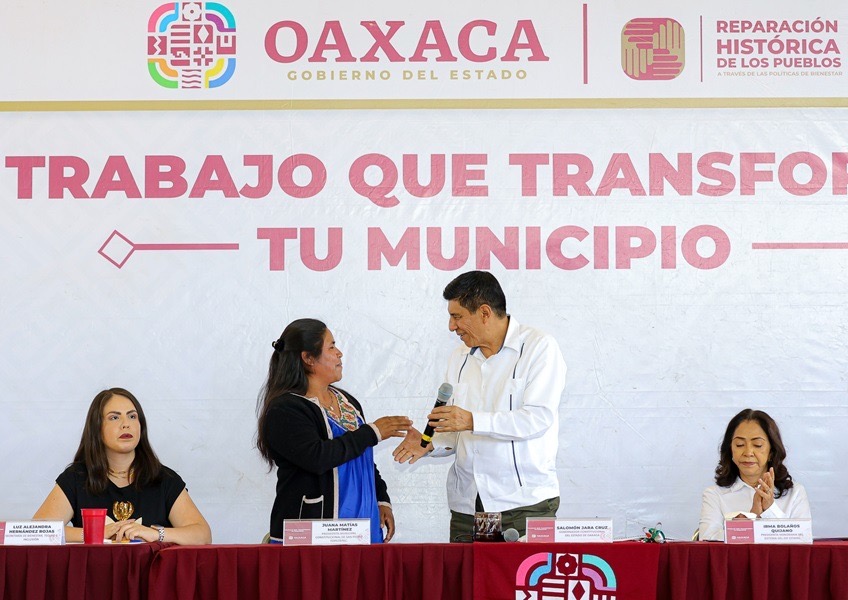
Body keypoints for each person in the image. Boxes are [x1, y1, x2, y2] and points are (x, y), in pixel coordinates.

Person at [393, 271, 567, 541]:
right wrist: (430, 444)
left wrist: (472, 420)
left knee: (519, 571)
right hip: (468, 505)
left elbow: (537, 418)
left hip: (523, 504)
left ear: (485, 313)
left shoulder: (539, 347)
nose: (451, 326)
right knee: (466, 571)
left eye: (457, 316)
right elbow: (457, 431)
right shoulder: (459, 357)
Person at [256, 318, 412, 544]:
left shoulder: (347, 402)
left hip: (362, 529)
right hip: (313, 536)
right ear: (308, 358)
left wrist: (381, 499)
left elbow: (362, 457)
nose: (339, 353)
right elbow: (317, 457)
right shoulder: (285, 409)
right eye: (331, 347)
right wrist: (372, 432)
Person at [33, 388, 212, 544]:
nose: (126, 424)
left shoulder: (164, 479)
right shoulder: (76, 477)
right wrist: (93, 533)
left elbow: (203, 535)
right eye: (114, 417)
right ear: (97, 428)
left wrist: (156, 534)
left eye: (132, 416)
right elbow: (38, 531)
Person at [699, 408, 811, 541]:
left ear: (771, 452)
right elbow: (707, 540)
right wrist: (751, 520)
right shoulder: (714, 495)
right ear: (730, 450)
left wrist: (769, 509)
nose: (748, 452)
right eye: (739, 445)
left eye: (757, 445)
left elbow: (803, 542)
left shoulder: (795, 493)